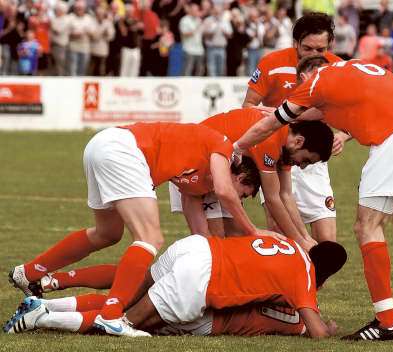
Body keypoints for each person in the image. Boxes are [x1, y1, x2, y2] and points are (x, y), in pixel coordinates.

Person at [233, 55, 393, 341]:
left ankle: (386, 323)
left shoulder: (316, 82)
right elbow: (312, 114)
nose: (298, 91)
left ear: (309, 74)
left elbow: (272, 124)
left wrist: (238, 146)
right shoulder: (353, 66)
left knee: (367, 226)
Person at [8, 122, 271, 336]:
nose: (239, 200)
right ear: (239, 175)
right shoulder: (223, 146)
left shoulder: (198, 178)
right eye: (244, 194)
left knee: (107, 233)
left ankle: (28, 273)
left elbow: (200, 222)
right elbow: (226, 191)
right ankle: (111, 316)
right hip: (124, 150)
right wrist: (253, 231)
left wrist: (212, 254)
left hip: (102, 145)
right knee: (150, 238)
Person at [5, 236, 347, 338]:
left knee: (121, 301)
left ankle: (49, 304)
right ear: (326, 274)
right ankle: (42, 317)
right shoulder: (303, 278)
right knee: (123, 324)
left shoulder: (287, 244)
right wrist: (329, 329)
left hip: (196, 247)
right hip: (201, 279)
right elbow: (315, 331)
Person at [243, 12, 349, 243]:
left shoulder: (338, 68)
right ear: (295, 43)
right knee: (279, 228)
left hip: (313, 158)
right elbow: (249, 105)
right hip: (276, 155)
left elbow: (353, 112)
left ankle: (318, 280)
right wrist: (276, 124)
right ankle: (291, 279)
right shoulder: (271, 64)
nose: (314, 55)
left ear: (329, 44)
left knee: (327, 237)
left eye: (320, 50)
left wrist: (343, 134)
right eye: (307, 48)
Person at [170, 108, 334, 245]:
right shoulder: (271, 139)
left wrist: (304, 237)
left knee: (235, 238)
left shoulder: (286, 147)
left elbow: (285, 195)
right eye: (306, 160)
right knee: (213, 242)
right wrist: (300, 240)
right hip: (193, 166)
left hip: (217, 173)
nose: (302, 166)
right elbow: (272, 199)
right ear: (298, 142)